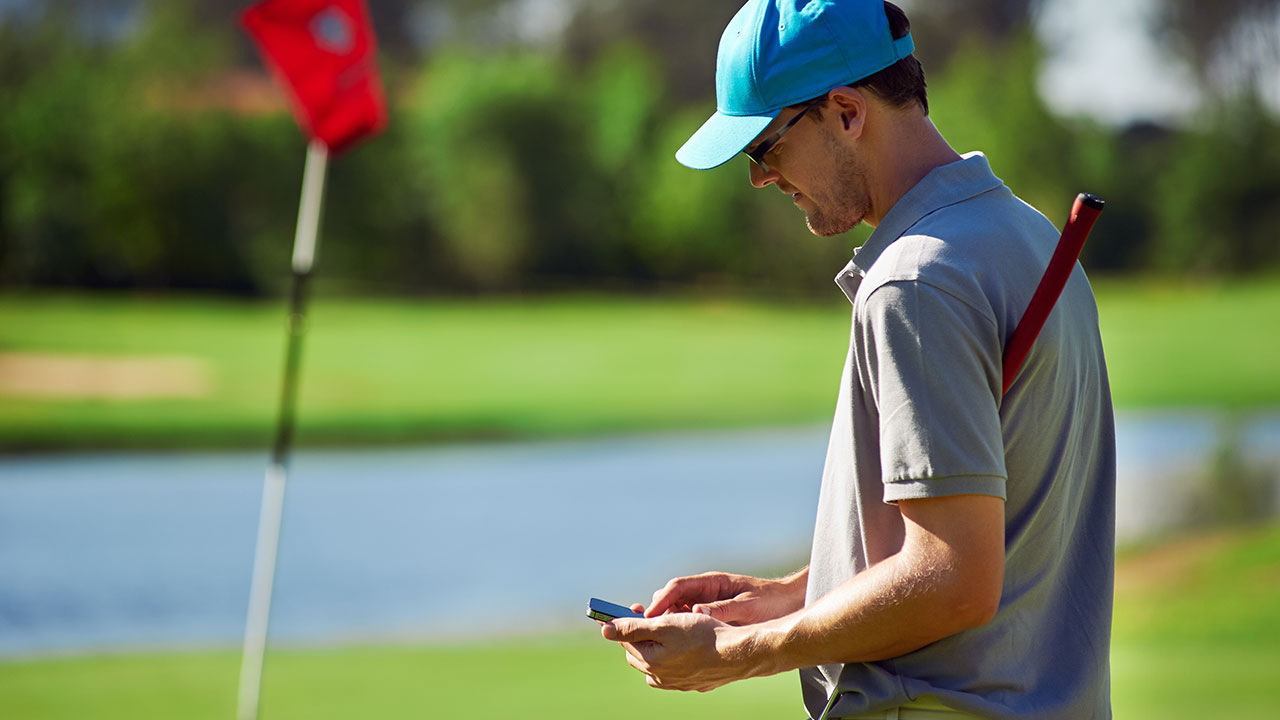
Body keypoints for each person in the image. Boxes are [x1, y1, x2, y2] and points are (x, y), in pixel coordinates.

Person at [598, 2, 1116, 719]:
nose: (759, 178)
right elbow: (968, 527)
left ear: (845, 111)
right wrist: (782, 597)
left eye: (765, 147)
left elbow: (953, 578)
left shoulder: (915, 282)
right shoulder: (1022, 236)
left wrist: (741, 652)